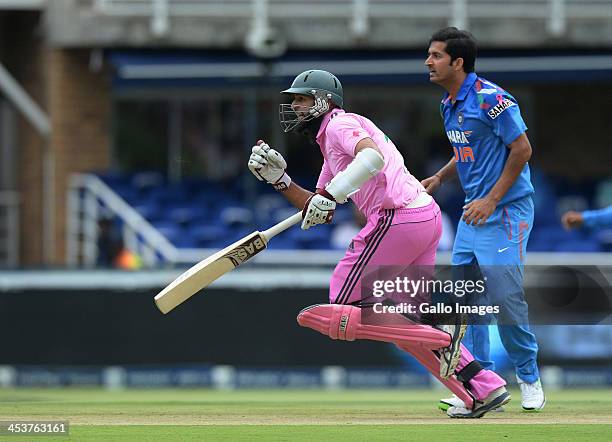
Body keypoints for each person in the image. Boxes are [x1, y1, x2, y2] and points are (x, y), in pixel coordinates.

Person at [248, 69, 510, 418]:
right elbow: (319, 209)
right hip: (422, 216)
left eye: (302, 98)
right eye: (294, 99)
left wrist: (334, 194)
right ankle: (483, 387)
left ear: (325, 101)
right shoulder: (329, 144)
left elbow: (371, 159)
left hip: (398, 217)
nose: (295, 105)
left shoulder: (340, 125)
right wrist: (280, 181)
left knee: (344, 300)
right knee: (406, 328)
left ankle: (445, 330)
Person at [422, 27, 546, 413]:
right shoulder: (449, 104)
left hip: (505, 211)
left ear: (458, 62)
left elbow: (522, 149)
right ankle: (483, 385)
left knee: (506, 299)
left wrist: (492, 200)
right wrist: (441, 177)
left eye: (436, 56)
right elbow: (468, 153)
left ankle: (528, 376)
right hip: (474, 213)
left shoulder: (493, 100)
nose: (428, 61)